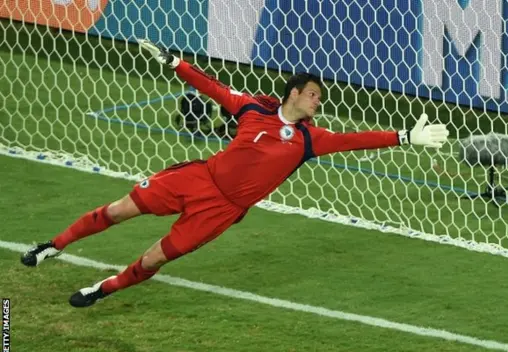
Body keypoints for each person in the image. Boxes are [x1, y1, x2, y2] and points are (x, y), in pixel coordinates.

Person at [20, 39, 450, 308]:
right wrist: (176, 64)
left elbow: (356, 139)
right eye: (315, 95)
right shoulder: (252, 107)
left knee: (154, 258)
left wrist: (405, 137)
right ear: (295, 93)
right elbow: (213, 86)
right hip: (197, 177)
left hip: (222, 210)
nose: (319, 102)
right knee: (117, 210)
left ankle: (103, 289)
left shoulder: (310, 140)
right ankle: (52, 246)